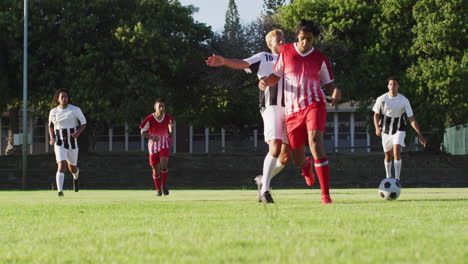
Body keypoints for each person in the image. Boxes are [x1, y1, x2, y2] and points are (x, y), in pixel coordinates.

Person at [260, 19, 342, 204]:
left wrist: (335, 91)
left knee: (315, 143)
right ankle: (305, 166)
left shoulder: (319, 58)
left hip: (314, 104)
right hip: (292, 111)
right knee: (296, 159)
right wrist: (265, 81)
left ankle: (325, 195)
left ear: (315, 39)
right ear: (297, 36)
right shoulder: (286, 51)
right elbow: (275, 76)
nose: (305, 43)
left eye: (310, 39)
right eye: (303, 38)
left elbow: (329, 85)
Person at [206, 29, 290, 203]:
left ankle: (262, 179)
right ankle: (265, 191)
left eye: (283, 38)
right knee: (274, 146)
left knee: (285, 157)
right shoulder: (264, 57)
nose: (282, 41)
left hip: (290, 109)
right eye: (277, 39)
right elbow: (243, 63)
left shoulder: (291, 58)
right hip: (271, 107)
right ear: (270, 44)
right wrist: (224, 61)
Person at [373, 76, 427, 182]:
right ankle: (388, 178)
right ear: (388, 86)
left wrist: (420, 135)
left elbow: (411, 118)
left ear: (398, 86)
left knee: (397, 149)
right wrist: (377, 128)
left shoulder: (404, 100)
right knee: (388, 155)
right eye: (391, 84)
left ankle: (397, 179)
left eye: (395, 84)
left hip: (399, 127)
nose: (393, 86)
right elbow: (376, 115)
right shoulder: (382, 99)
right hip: (386, 129)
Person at [48, 89, 87, 197]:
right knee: (61, 164)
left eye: (66, 97)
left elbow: (83, 123)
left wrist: (78, 132)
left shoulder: (75, 110)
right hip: (59, 141)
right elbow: (51, 126)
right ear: (58, 99)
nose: (64, 99)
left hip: (72, 142)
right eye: (62, 97)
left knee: (72, 167)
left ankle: (76, 178)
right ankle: (60, 191)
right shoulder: (53, 112)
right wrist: (52, 137)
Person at [140, 98, 174, 196]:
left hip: (164, 144)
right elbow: (142, 132)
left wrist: (171, 136)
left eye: (163, 106)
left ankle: (163, 185)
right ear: (155, 107)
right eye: (160, 106)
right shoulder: (149, 118)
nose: (162, 108)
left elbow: (170, 127)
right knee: (155, 169)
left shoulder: (168, 117)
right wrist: (151, 137)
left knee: (164, 164)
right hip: (153, 146)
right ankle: (158, 190)